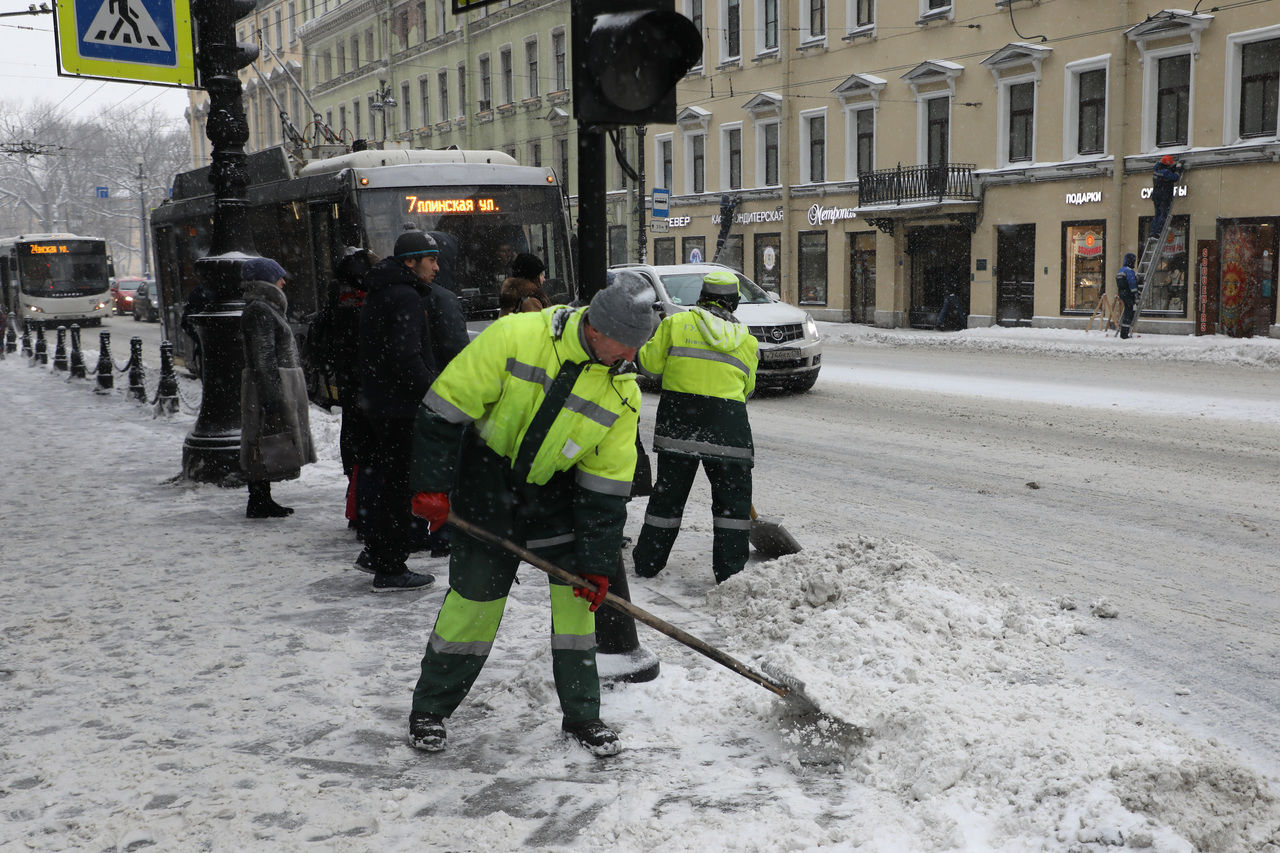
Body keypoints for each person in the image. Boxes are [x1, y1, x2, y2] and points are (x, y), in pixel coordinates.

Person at [404, 276, 657, 757]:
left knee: (576, 614)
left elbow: (605, 488)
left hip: (559, 500)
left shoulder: (621, 391)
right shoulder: (517, 337)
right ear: (597, 328)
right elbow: (441, 410)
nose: (629, 359)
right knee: (471, 607)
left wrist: (598, 564)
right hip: (487, 485)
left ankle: (584, 716)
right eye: (624, 347)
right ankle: (430, 709)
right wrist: (431, 486)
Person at [632, 270, 759, 585]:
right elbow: (748, 390)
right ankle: (730, 572)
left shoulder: (675, 325)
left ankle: (648, 562)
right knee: (732, 505)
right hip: (729, 431)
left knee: (668, 498)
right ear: (733, 303)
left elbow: (648, 365)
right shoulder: (747, 341)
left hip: (680, 426)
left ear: (702, 296)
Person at [354, 231, 441, 592]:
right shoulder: (405, 296)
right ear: (410, 262)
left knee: (387, 482)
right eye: (430, 259)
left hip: (377, 402)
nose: (437, 267)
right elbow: (407, 358)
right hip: (400, 408)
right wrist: (435, 393)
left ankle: (376, 552)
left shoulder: (382, 290)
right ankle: (390, 566)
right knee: (400, 486)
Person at [239, 257, 317, 518]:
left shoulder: (266, 309)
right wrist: (272, 397)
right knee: (263, 438)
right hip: (270, 385)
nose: (284, 281)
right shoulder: (260, 311)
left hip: (275, 382)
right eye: (279, 276)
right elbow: (264, 357)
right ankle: (258, 500)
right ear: (267, 280)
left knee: (266, 438)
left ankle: (262, 498)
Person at [310, 247, 377, 538]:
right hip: (369, 382)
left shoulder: (338, 296)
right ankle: (368, 512)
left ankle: (357, 506)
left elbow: (318, 336)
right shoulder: (368, 298)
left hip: (350, 383)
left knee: (355, 444)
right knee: (373, 448)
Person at [180, 281, 214, 378]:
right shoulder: (230, 290)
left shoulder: (199, 291)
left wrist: (200, 341)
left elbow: (185, 322)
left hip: (207, 353)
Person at [1150, 155, 1181, 238]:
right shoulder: (1165, 173)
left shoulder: (1156, 170)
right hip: (1164, 196)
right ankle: (1158, 232)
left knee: (1157, 215)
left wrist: (1172, 168)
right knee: (1163, 215)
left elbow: (1166, 174)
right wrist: (1178, 169)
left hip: (1156, 196)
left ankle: (1153, 232)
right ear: (1167, 165)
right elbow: (1175, 177)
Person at [1116, 251, 1139, 340]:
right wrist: (1136, 295)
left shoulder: (1120, 270)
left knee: (1127, 310)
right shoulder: (1129, 271)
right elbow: (1132, 284)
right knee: (1129, 313)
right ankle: (1124, 333)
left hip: (1122, 294)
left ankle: (1123, 331)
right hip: (1128, 294)